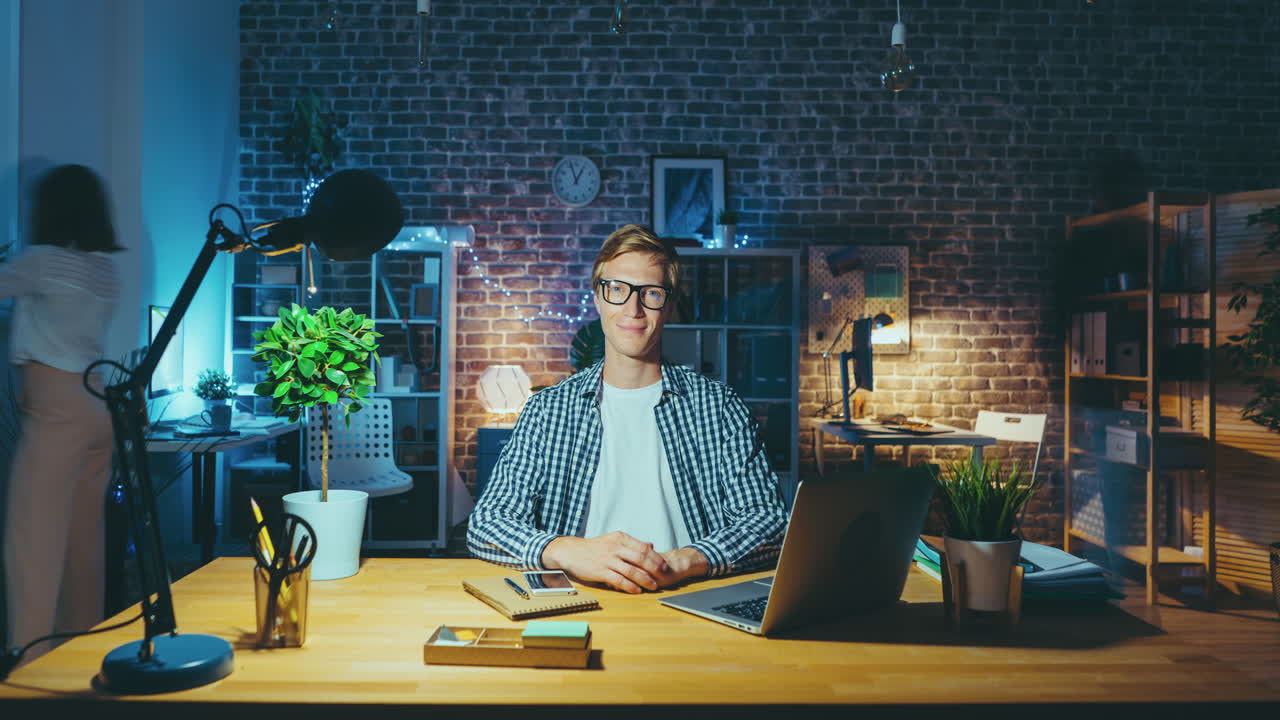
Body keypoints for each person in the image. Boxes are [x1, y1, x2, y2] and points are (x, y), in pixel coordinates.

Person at [467, 224, 787, 593]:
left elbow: (769, 522)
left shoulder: (718, 408)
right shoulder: (548, 411)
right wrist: (566, 551)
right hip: (576, 604)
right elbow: (487, 524)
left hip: (691, 605)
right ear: (599, 298)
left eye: (650, 293)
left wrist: (685, 559)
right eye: (617, 290)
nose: (632, 309)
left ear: (667, 304)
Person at [1, 164, 122, 661]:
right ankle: (79, 654)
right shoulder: (102, 270)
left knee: (34, 541)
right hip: (97, 406)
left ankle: (29, 664)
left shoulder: (44, 261)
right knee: (81, 545)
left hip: (56, 410)